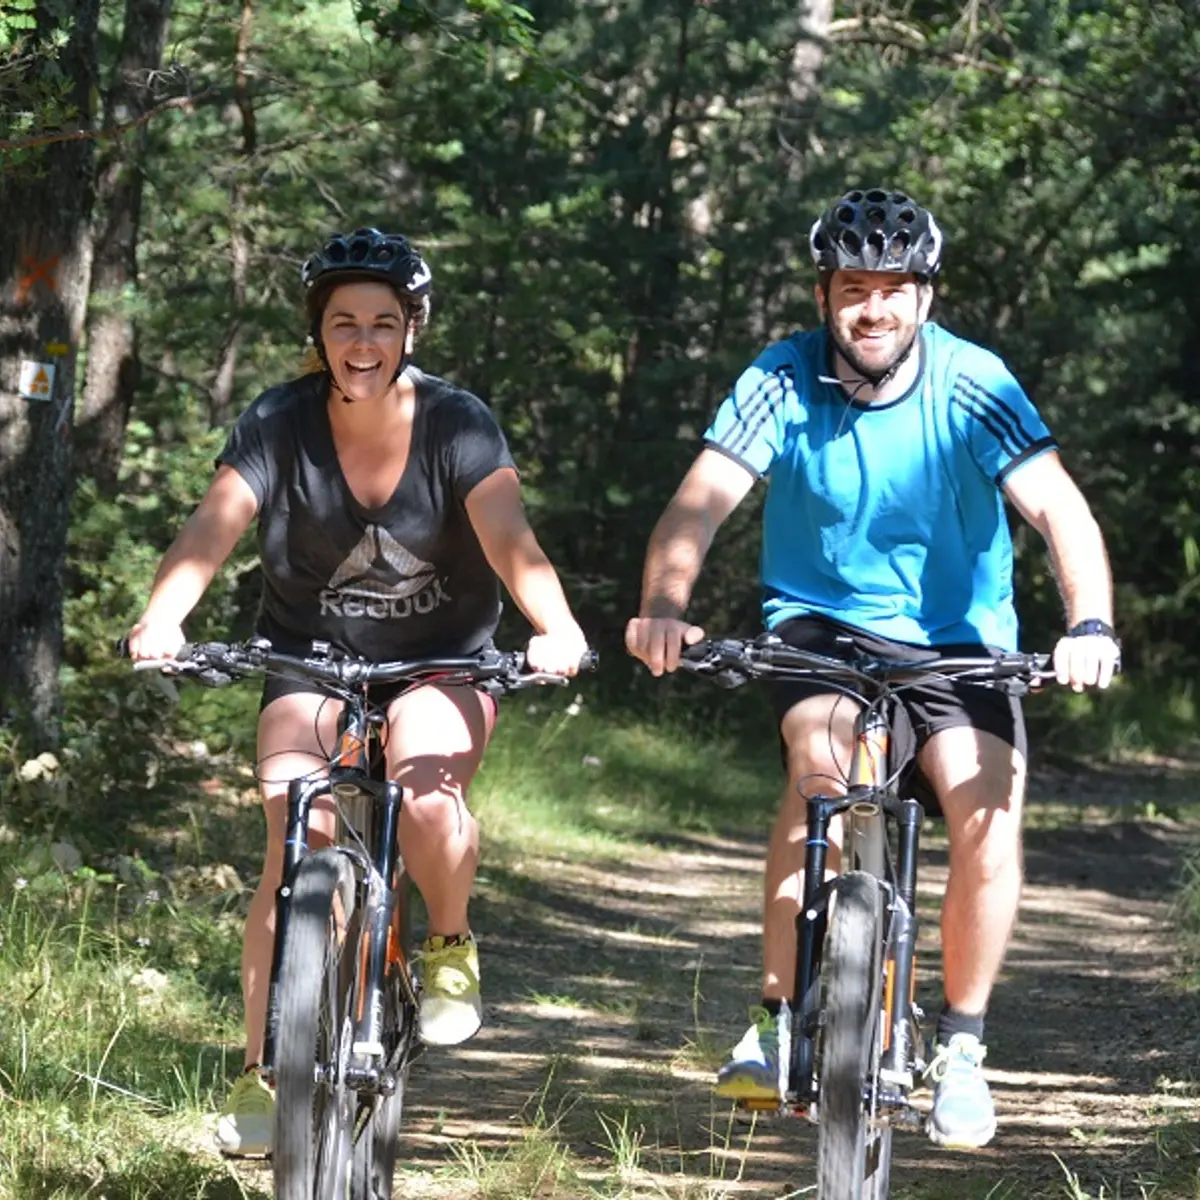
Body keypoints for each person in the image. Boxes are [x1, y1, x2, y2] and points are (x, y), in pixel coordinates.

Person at [624, 188, 1120, 1150]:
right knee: (819, 769)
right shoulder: (781, 377)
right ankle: (777, 1019)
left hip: (960, 643)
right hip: (822, 631)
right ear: (824, 295)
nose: (873, 308)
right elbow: (699, 503)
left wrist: (1088, 624)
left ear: (925, 298)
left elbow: (1059, 509)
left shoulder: (973, 382)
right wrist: (665, 608)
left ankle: (962, 1047)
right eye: (854, 288)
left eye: (894, 289)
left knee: (985, 807)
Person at [126, 227, 590, 1157]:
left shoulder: (457, 423)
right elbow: (214, 525)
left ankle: (448, 939)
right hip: (310, 656)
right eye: (344, 322)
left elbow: (509, 536)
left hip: (442, 660)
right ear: (319, 331)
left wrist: (558, 626)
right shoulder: (278, 421)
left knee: (427, 799)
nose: (364, 341)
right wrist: (162, 617)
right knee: (292, 825)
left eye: (384, 322)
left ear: (413, 328)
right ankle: (264, 1069)